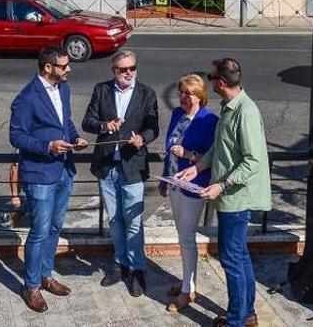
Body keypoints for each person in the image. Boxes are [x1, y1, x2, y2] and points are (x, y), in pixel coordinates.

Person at [174, 58, 270, 327]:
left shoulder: (245, 112)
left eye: (211, 76)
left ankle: (237, 320)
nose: (209, 80)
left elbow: (253, 160)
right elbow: (221, 148)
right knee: (239, 256)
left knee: (230, 259)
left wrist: (222, 185)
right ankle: (247, 314)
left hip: (236, 198)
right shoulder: (229, 107)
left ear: (220, 83)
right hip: (229, 194)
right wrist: (198, 167)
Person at [10, 46, 89, 313]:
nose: (69, 69)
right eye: (64, 65)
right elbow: (16, 137)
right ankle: (31, 286)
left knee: (55, 228)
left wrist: (75, 138)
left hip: (64, 170)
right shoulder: (26, 98)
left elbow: (64, 123)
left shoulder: (63, 89)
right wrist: (48, 146)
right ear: (48, 68)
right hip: (40, 175)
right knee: (39, 231)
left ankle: (46, 275)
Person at [82, 50, 160, 297]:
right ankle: (120, 264)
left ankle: (137, 268)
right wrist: (105, 126)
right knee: (115, 219)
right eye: (123, 69)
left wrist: (143, 138)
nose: (129, 73)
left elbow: (153, 126)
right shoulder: (101, 90)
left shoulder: (147, 93)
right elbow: (87, 121)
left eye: (132, 68)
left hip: (132, 165)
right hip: (107, 166)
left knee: (134, 220)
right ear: (114, 71)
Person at [158, 74, 219, 313]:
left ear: (200, 96)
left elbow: (210, 157)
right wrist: (165, 177)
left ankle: (188, 290)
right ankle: (186, 281)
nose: (182, 97)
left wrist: (187, 154)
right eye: (181, 92)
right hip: (174, 182)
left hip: (194, 186)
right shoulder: (176, 115)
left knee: (186, 237)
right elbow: (168, 149)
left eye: (188, 93)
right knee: (182, 237)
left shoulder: (209, 120)